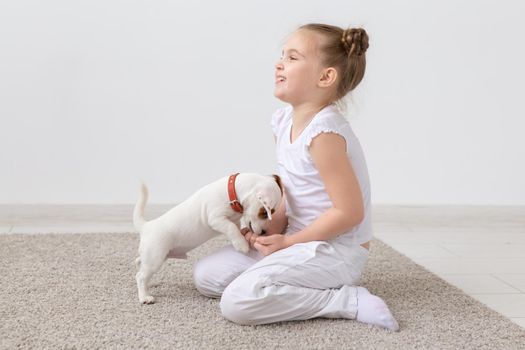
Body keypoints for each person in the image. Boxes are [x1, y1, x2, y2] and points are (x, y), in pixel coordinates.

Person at [193, 23, 399, 331]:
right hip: (299, 239)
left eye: (292, 57)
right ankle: (284, 282)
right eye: (282, 55)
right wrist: (270, 227)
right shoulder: (284, 121)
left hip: (335, 251)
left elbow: (349, 212)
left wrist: (289, 242)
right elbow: (292, 191)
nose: (279, 63)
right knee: (206, 276)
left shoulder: (325, 133)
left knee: (237, 301)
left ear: (325, 77)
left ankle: (346, 301)